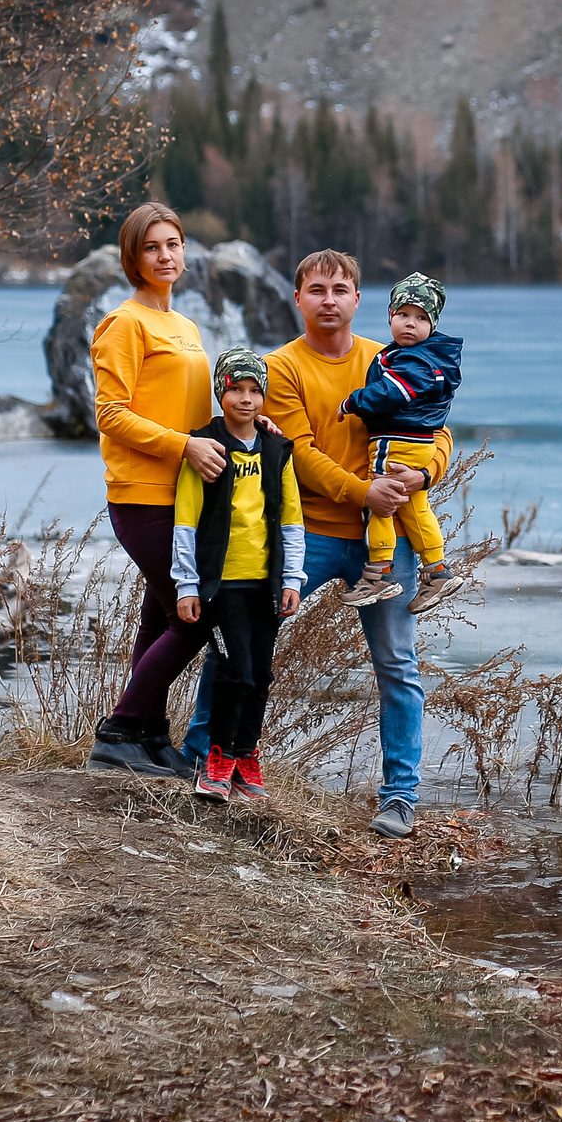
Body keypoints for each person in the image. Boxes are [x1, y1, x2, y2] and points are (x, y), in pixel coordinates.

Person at [180, 249, 441, 838]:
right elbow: (297, 452)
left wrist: (422, 477)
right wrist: (363, 491)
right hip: (309, 535)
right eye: (317, 289)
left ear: (357, 298)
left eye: (341, 289)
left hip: (385, 539)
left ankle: (399, 796)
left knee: (397, 665)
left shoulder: (394, 358)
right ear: (297, 298)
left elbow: (435, 429)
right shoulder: (281, 368)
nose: (329, 299)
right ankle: (204, 753)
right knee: (238, 638)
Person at [87, 202, 227, 781]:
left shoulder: (186, 327)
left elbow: (195, 414)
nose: (165, 255)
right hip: (143, 496)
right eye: (151, 247)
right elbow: (110, 415)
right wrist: (183, 447)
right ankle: (118, 731)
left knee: (159, 616)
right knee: (195, 615)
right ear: (132, 257)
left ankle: (146, 734)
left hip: (188, 495)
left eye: (173, 244)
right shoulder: (124, 324)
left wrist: (247, 429)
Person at [158, 347, 304, 800]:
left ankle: (245, 757)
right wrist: (187, 583)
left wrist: (292, 579)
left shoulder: (277, 450)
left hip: (265, 585)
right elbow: (186, 520)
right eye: (235, 389)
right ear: (220, 391)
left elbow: (292, 520)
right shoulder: (204, 448)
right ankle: (215, 759)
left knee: (261, 675)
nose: (245, 399)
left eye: (254, 390)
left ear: (264, 396)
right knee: (234, 671)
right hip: (222, 586)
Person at [337, 272, 468, 616]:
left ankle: (380, 571)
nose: (411, 324)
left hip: (396, 441)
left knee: (380, 501)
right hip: (418, 442)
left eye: (421, 318)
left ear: (433, 324)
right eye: (404, 315)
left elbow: (393, 393)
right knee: (414, 507)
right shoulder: (427, 356)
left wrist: (353, 402)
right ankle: (437, 571)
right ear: (390, 316)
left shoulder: (416, 361)